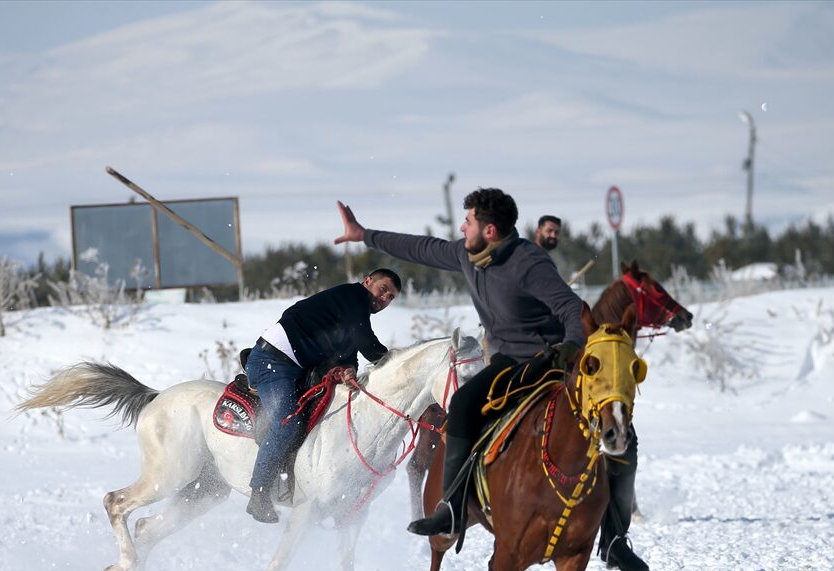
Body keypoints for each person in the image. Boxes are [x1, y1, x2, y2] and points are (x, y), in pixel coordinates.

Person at [334, 188, 585, 537]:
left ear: (490, 231)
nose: (463, 227)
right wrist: (364, 235)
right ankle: (452, 508)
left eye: (468, 221)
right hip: (505, 360)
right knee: (463, 403)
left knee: (609, 416)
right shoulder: (468, 254)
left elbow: (571, 308)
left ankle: (615, 532)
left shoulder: (529, 262)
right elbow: (421, 248)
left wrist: (572, 345)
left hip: (548, 357)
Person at [244, 269, 401, 524]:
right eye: (383, 289)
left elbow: (350, 350)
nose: (384, 298)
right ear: (367, 281)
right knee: (288, 423)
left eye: (391, 297)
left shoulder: (351, 310)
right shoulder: (353, 297)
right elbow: (366, 342)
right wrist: (396, 365)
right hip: (273, 361)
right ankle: (259, 492)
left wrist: (349, 367)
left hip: (297, 366)